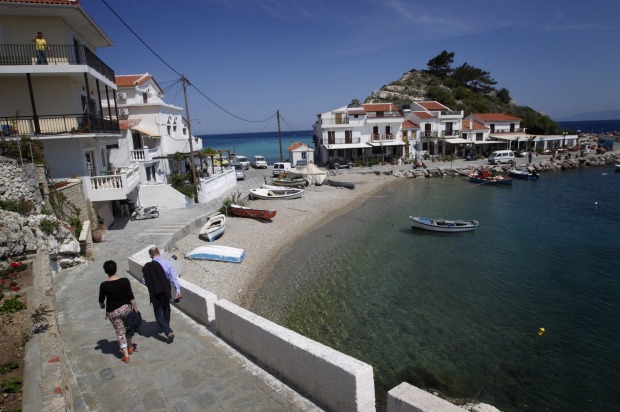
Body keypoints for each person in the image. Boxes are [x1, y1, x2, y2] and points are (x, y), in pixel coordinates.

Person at [99, 260, 138, 363]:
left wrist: (102, 306)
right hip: (125, 309)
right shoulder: (125, 281)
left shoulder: (104, 285)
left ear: (105, 271)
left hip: (113, 312)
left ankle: (125, 355)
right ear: (116, 269)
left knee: (120, 332)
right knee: (128, 327)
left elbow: (101, 301)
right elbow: (131, 297)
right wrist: (136, 308)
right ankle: (130, 347)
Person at [142, 246, 181, 343]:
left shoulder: (147, 267)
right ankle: (166, 328)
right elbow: (173, 278)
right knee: (166, 309)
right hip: (166, 291)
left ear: (150, 256)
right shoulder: (168, 263)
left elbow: (144, 281)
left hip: (155, 293)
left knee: (158, 314)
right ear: (159, 252)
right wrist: (178, 290)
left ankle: (167, 330)